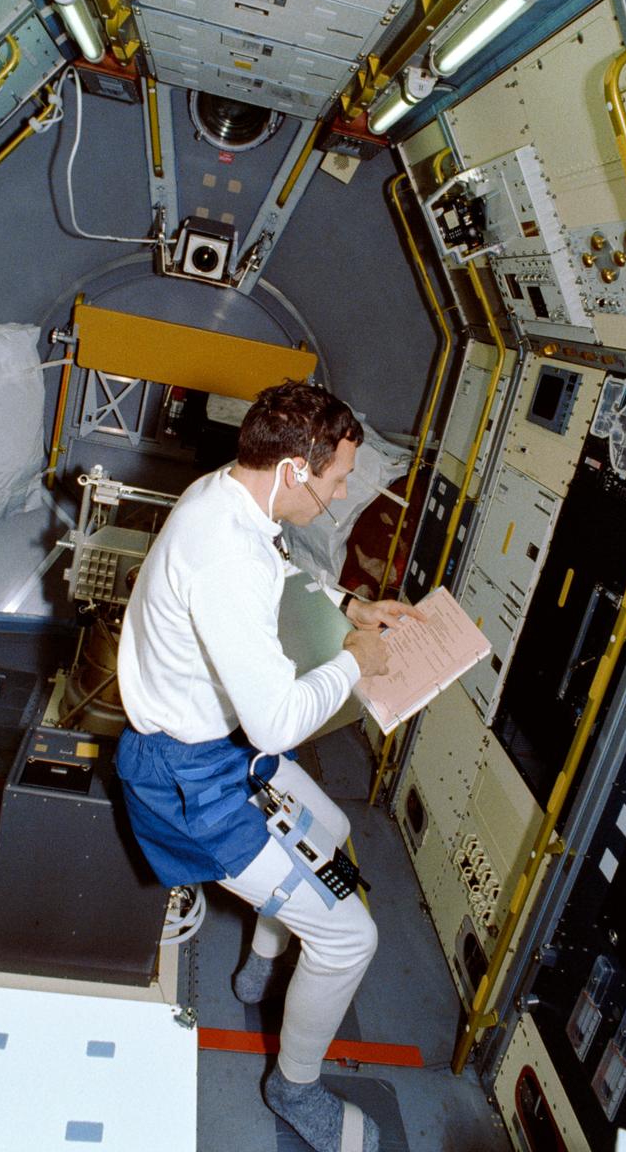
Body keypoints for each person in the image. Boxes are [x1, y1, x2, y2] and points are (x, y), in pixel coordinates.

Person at [116, 380, 424, 1152]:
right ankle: (294, 1088)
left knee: (335, 830)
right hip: (189, 779)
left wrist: (351, 607)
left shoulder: (231, 494)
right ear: (293, 470)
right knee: (352, 937)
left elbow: (282, 572)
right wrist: (356, 662)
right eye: (339, 479)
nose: (345, 493)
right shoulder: (222, 554)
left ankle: (261, 959)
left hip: (218, 749)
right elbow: (280, 720)